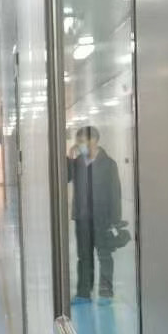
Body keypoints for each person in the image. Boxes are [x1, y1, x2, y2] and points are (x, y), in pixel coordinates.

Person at [68, 125, 122, 303]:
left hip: (102, 218)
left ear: (94, 141)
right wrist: (70, 157)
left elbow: (115, 194)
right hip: (82, 218)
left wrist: (115, 221)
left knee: (104, 255)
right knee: (84, 256)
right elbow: (65, 177)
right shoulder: (77, 163)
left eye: (82, 141)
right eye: (78, 142)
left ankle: (106, 292)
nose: (80, 145)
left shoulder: (109, 164)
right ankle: (84, 293)